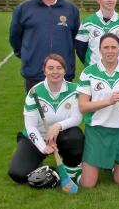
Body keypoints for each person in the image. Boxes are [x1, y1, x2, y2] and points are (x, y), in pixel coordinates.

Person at [7, 54, 84, 184]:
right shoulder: (34, 92)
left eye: (59, 68)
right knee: (17, 174)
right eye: (51, 68)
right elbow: (30, 126)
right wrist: (43, 147)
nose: (55, 72)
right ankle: (40, 162)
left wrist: (57, 126)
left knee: (75, 137)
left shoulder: (75, 90)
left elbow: (77, 118)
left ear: (65, 71)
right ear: (44, 71)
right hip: (37, 137)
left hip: (62, 135)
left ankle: (71, 168)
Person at [77, 33, 119, 187]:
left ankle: (112, 164)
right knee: (88, 184)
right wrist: (109, 101)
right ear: (100, 49)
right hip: (97, 129)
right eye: (106, 47)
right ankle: (80, 169)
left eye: (114, 47)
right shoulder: (89, 72)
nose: (110, 51)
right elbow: (83, 106)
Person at [9, 0, 80, 92]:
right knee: (36, 111)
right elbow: (15, 39)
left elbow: (76, 39)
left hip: (64, 74)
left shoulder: (71, 9)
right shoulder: (23, 9)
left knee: (65, 111)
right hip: (35, 73)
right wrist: (29, 56)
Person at [75, 0, 119, 67]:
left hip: (118, 72)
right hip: (94, 72)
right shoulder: (87, 23)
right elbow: (80, 50)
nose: (110, 0)